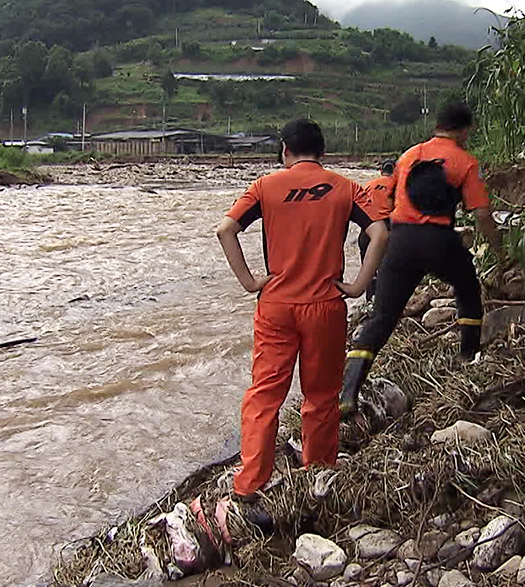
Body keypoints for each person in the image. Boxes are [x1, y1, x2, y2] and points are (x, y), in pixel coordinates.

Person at [216, 118, 389, 501]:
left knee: (264, 395)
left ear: (284, 150)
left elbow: (226, 229)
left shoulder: (265, 186)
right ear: (322, 153)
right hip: (326, 305)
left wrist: (249, 281)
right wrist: (359, 285)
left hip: (276, 305)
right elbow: (380, 232)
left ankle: (249, 485)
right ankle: (318, 472)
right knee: (322, 396)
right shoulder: (345, 187)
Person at [339, 102, 503, 416]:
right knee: (468, 289)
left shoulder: (408, 156)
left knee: (382, 317)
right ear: (464, 130)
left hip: (400, 242)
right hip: (440, 240)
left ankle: (348, 391)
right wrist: (497, 249)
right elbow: (481, 213)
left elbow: (394, 197)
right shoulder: (466, 161)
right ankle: (468, 357)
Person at [357, 160, 396, 300]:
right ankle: (385, 301)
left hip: (367, 229)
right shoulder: (397, 185)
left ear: (380, 170)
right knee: (389, 269)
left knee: (368, 269)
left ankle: (369, 301)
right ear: (395, 171)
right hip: (388, 228)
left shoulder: (368, 185)